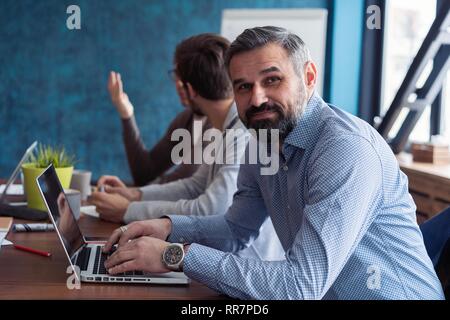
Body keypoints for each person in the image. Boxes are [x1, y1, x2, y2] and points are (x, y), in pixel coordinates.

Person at [100, 26, 444, 299]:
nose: (257, 98)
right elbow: (237, 230)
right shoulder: (262, 140)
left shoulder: (345, 150)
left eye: (272, 80)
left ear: (308, 78)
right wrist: (169, 227)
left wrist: (174, 255)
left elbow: (299, 288)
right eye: (244, 87)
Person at [91, 33, 284, 261]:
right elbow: (194, 185)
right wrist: (134, 195)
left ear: (189, 89)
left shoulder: (242, 133)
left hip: (247, 266)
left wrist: (128, 211)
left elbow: (212, 209)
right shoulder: (227, 125)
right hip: (222, 257)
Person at [107, 67, 208, 186]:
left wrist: (132, 194)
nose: (179, 83)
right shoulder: (187, 119)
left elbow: (186, 184)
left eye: (186, 74)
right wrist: (126, 114)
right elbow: (144, 175)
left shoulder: (218, 123)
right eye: (177, 74)